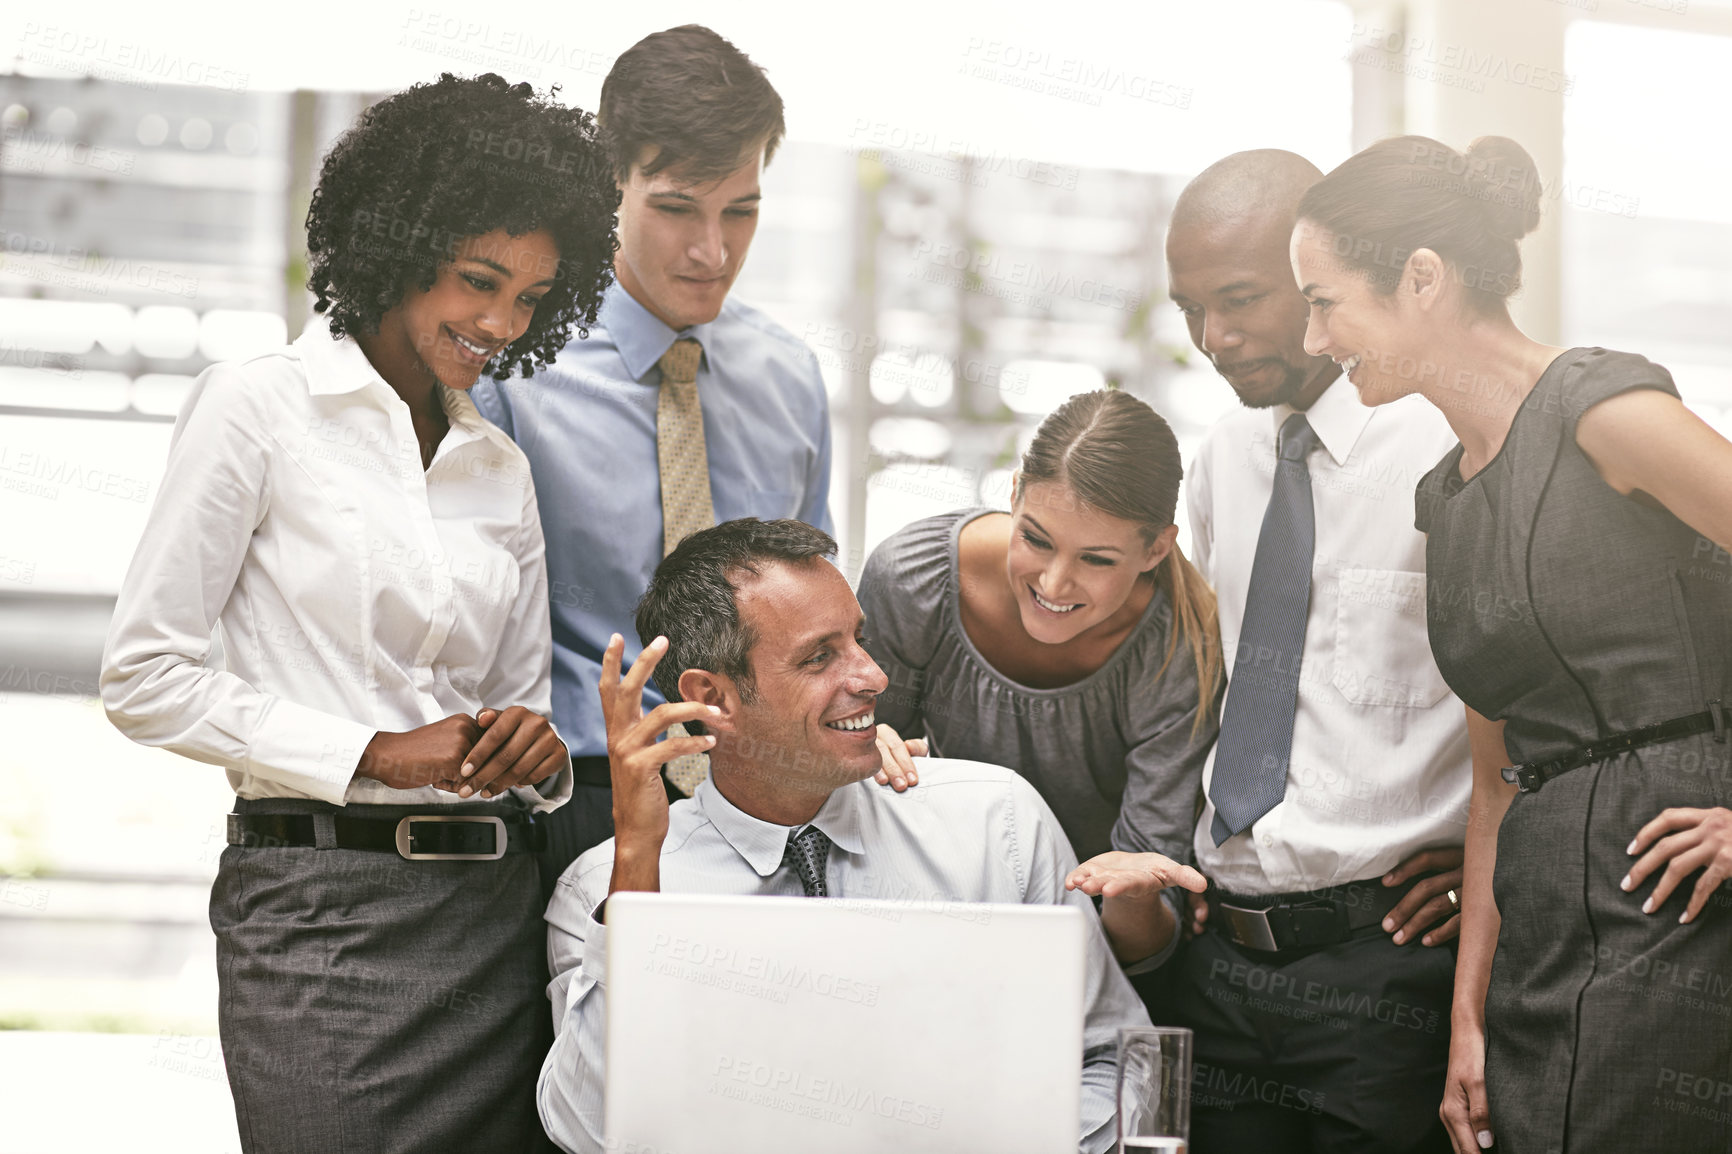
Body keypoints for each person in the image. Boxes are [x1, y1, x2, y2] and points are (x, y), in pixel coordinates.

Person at [100, 73, 618, 1152]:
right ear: (398, 241)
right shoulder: (259, 409)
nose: (497, 323)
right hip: (314, 912)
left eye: (529, 299)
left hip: (489, 917)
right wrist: (378, 751)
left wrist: (536, 748)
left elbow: (515, 705)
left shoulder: (500, 466)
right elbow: (143, 676)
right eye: (479, 281)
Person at [1292, 134, 1732, 1154]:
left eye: (1326, 300)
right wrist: (1466, 1025)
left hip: (1679, 917)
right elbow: (1496, 782)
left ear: (1422, 279)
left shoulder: (1603, 408)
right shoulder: (1445, 499)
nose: (1316, 337)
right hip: (1542, 940)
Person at [1075, 150, 1475, 1154]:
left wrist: (1495, 863)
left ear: (1315, 270)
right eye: (1189, 309)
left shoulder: (1446, 443)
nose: (1216, 338)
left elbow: (1543, 686)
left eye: (1242, 299)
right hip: (1224, 954)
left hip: (1386, 962)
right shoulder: (1226, 455)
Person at [536, 518, 1153, 1154]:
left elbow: (1115, 1057)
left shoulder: (998, 824)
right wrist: (639, 868)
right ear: (711, 697)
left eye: (858, 639)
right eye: (819, 657)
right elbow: (590, 1130)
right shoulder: (600, 893)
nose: (874, 677)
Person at [471, 26, 836, 896]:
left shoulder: (790, 377)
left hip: (759, 803)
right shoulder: (514, 365)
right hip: (571, 797)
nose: (712, 251)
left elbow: (814, 609)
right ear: (612, 186)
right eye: (677, 209)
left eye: (739, 211)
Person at [857, 388, 1221, 880]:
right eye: (1035, 538)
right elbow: (840, 808)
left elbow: (1150, 931)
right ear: (1013, 496)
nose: (1053, 584)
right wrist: (850, 753)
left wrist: (1139, 892)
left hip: (1086, 931)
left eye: (1096, 559)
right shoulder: (912, 579)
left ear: (1156, 549)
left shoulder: (1177, 650)